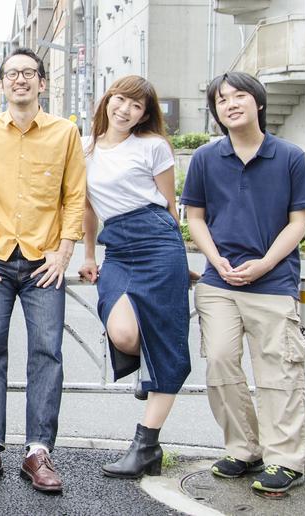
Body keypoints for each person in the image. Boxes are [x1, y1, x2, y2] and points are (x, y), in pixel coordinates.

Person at [182, 71, 305, 494]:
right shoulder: (205, 158)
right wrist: (214, 259)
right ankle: (243, 448)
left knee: (278, 371)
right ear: (216, 111)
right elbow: (195, 216)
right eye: (221, 100)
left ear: (258, 102)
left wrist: (265, 264)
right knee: (220, 363)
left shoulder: (289, 156)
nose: (230, 104)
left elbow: (299, 221)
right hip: (218, 282)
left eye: (239, 96)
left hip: (273, 282)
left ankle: (285, 460)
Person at [0, 47, 86, 493]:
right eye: (12, 73)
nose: (20, 79)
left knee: (47, 353)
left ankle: (38, 451)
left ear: (42, 82)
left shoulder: (64, 132)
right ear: (2, 83)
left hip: (44, 261)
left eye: (28, 73)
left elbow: (74, 195)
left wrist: (65, 251)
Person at [76, 75, 192, 479]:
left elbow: (170, 207)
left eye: (136, 106)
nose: (125, 110)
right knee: (123, 334)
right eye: (121, 99)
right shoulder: (85, 147)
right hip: (119, 249)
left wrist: (180, 260)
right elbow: (87, 207)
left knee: (167, 344)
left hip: (159, 243)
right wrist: (88, 255)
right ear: (107, 99)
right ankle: (153, 365)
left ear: (144, 115)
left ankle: (146, 446)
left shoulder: (153, 146)